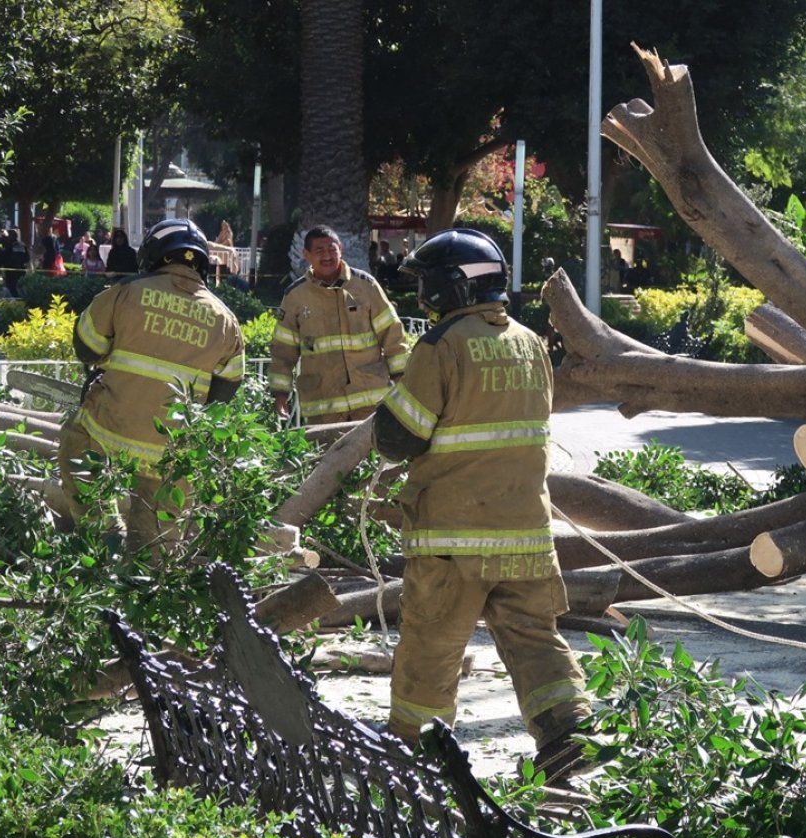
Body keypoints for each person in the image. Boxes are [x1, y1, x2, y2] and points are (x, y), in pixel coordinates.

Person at [372, 228, 592, 779]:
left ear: (452, 288)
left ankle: (411, 750)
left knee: (431, 644)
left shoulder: (442, 345)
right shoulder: (529, 342)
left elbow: (401, 435)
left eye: (427, 286)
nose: (423, 298)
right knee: (534, 638)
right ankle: (568, 734)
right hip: (525, 533)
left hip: (453, 538)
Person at [57, 218, 244, 558]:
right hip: (173, 451)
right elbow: (226, 389)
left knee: (74, 441)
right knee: (157, 540)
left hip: (107, 433)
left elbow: (86, 345)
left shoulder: (125, 292)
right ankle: (148, 580)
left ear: (155, 253)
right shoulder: (225, 319)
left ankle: (106, 545)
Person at [269, 225, 409, 424]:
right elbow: (283, 351)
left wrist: (401, 379)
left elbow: (392, 333)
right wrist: (280, 394)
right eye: (319, 251)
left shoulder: (365, 286)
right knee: (325, 456)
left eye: (331, 249)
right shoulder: (295, 297)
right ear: (306, 255)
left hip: (371, 404)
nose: (327, 256)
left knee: (373, 455)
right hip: (323, 408)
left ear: (340, 249)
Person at [0, 229, 29, 297]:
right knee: (20, 287)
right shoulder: (22, 245)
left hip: (11, 271)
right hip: (21, 270)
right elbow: (27, 258)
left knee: (11, 287)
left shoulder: (9, 245)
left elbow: (3, 256)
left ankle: (15, 300)